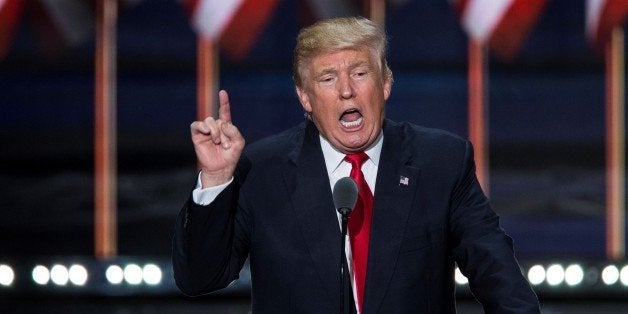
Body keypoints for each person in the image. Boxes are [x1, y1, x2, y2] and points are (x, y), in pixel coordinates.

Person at [173, 16, 540, 313]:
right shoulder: (261, 169)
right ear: (305, 98)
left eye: (360, 73)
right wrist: (218, 177)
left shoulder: (440, 161)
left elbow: (497, 275)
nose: (346, 90)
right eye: (328, 78)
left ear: (385, 85)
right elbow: (199, 279)